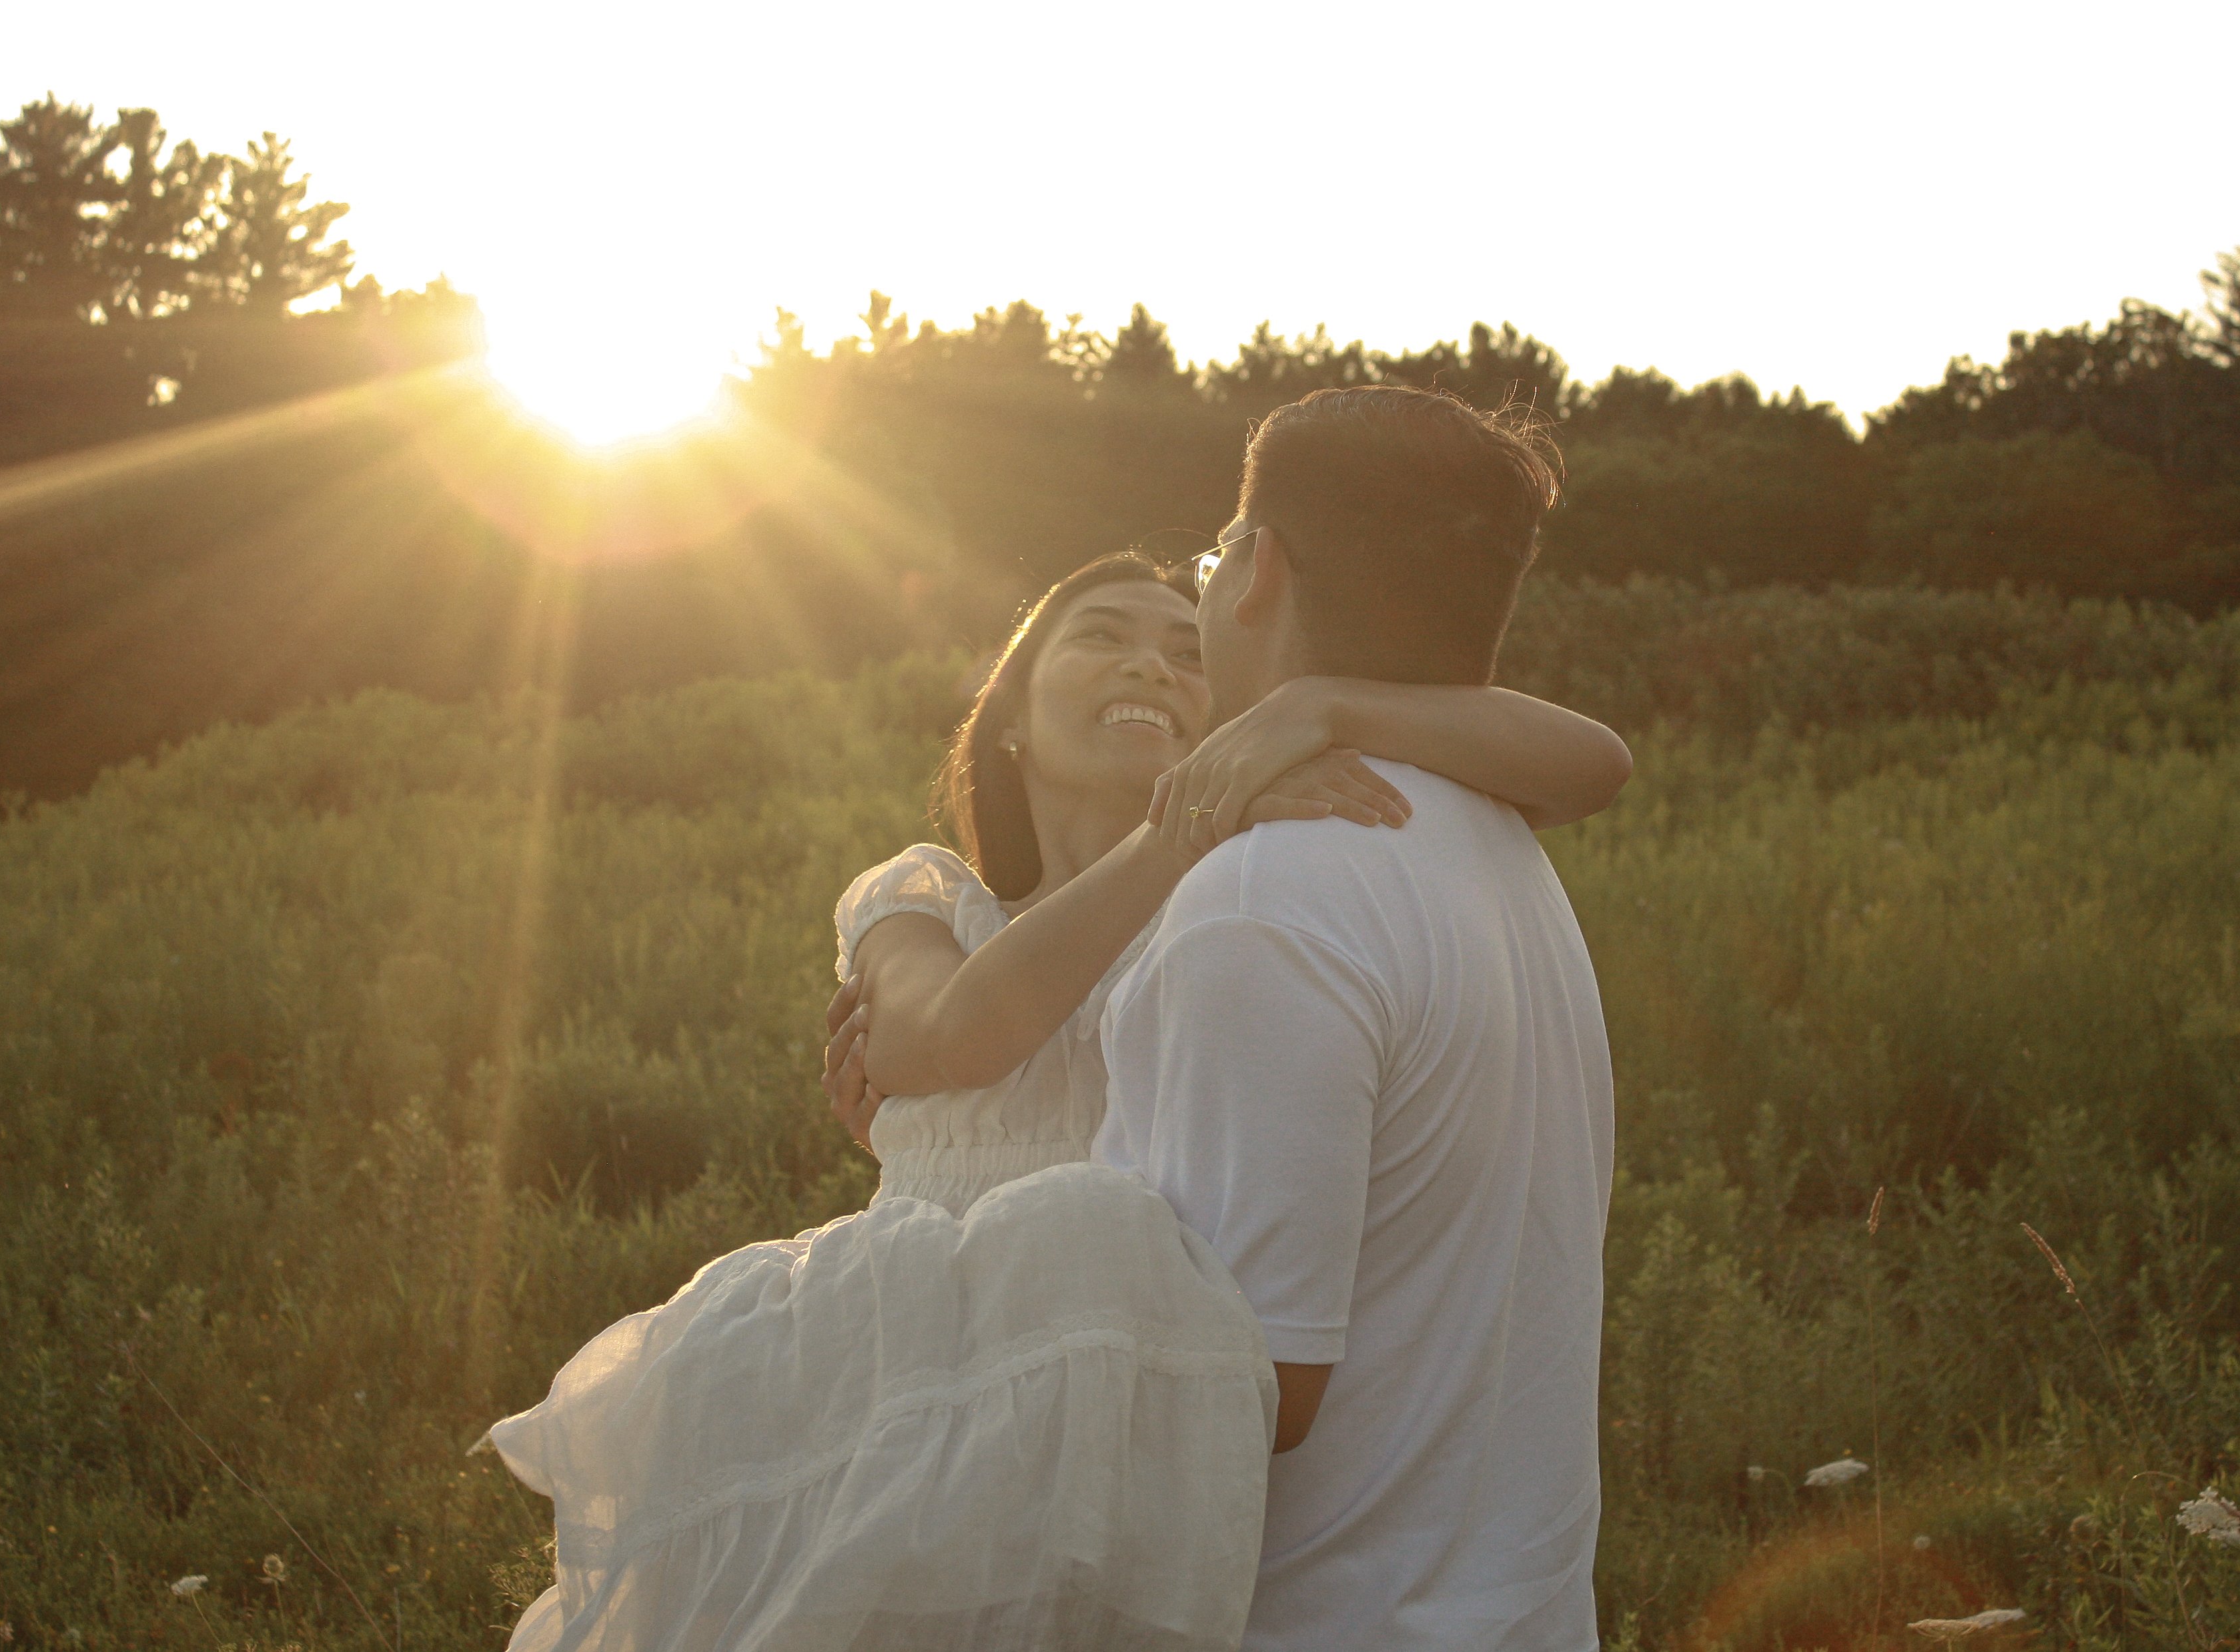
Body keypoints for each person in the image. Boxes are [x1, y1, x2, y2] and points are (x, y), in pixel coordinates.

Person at [490, 411, 1626, 1649]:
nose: (1152, 664)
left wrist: (1325, 708)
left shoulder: (1236, 906)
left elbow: (1594, 756)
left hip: (1109, 1442)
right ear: (1012, 709)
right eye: (1098, 636)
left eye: (1181, 644)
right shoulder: (935, 893)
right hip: (939, 1434)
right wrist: (1186, 826)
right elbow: (957, 1031)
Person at [1093, 385, 1616, 1650]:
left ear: (1260, 569)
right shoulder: (1498, 849)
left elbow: (1244, 1390)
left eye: (1218, 547)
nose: (1210, 579)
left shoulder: (1265, 900)